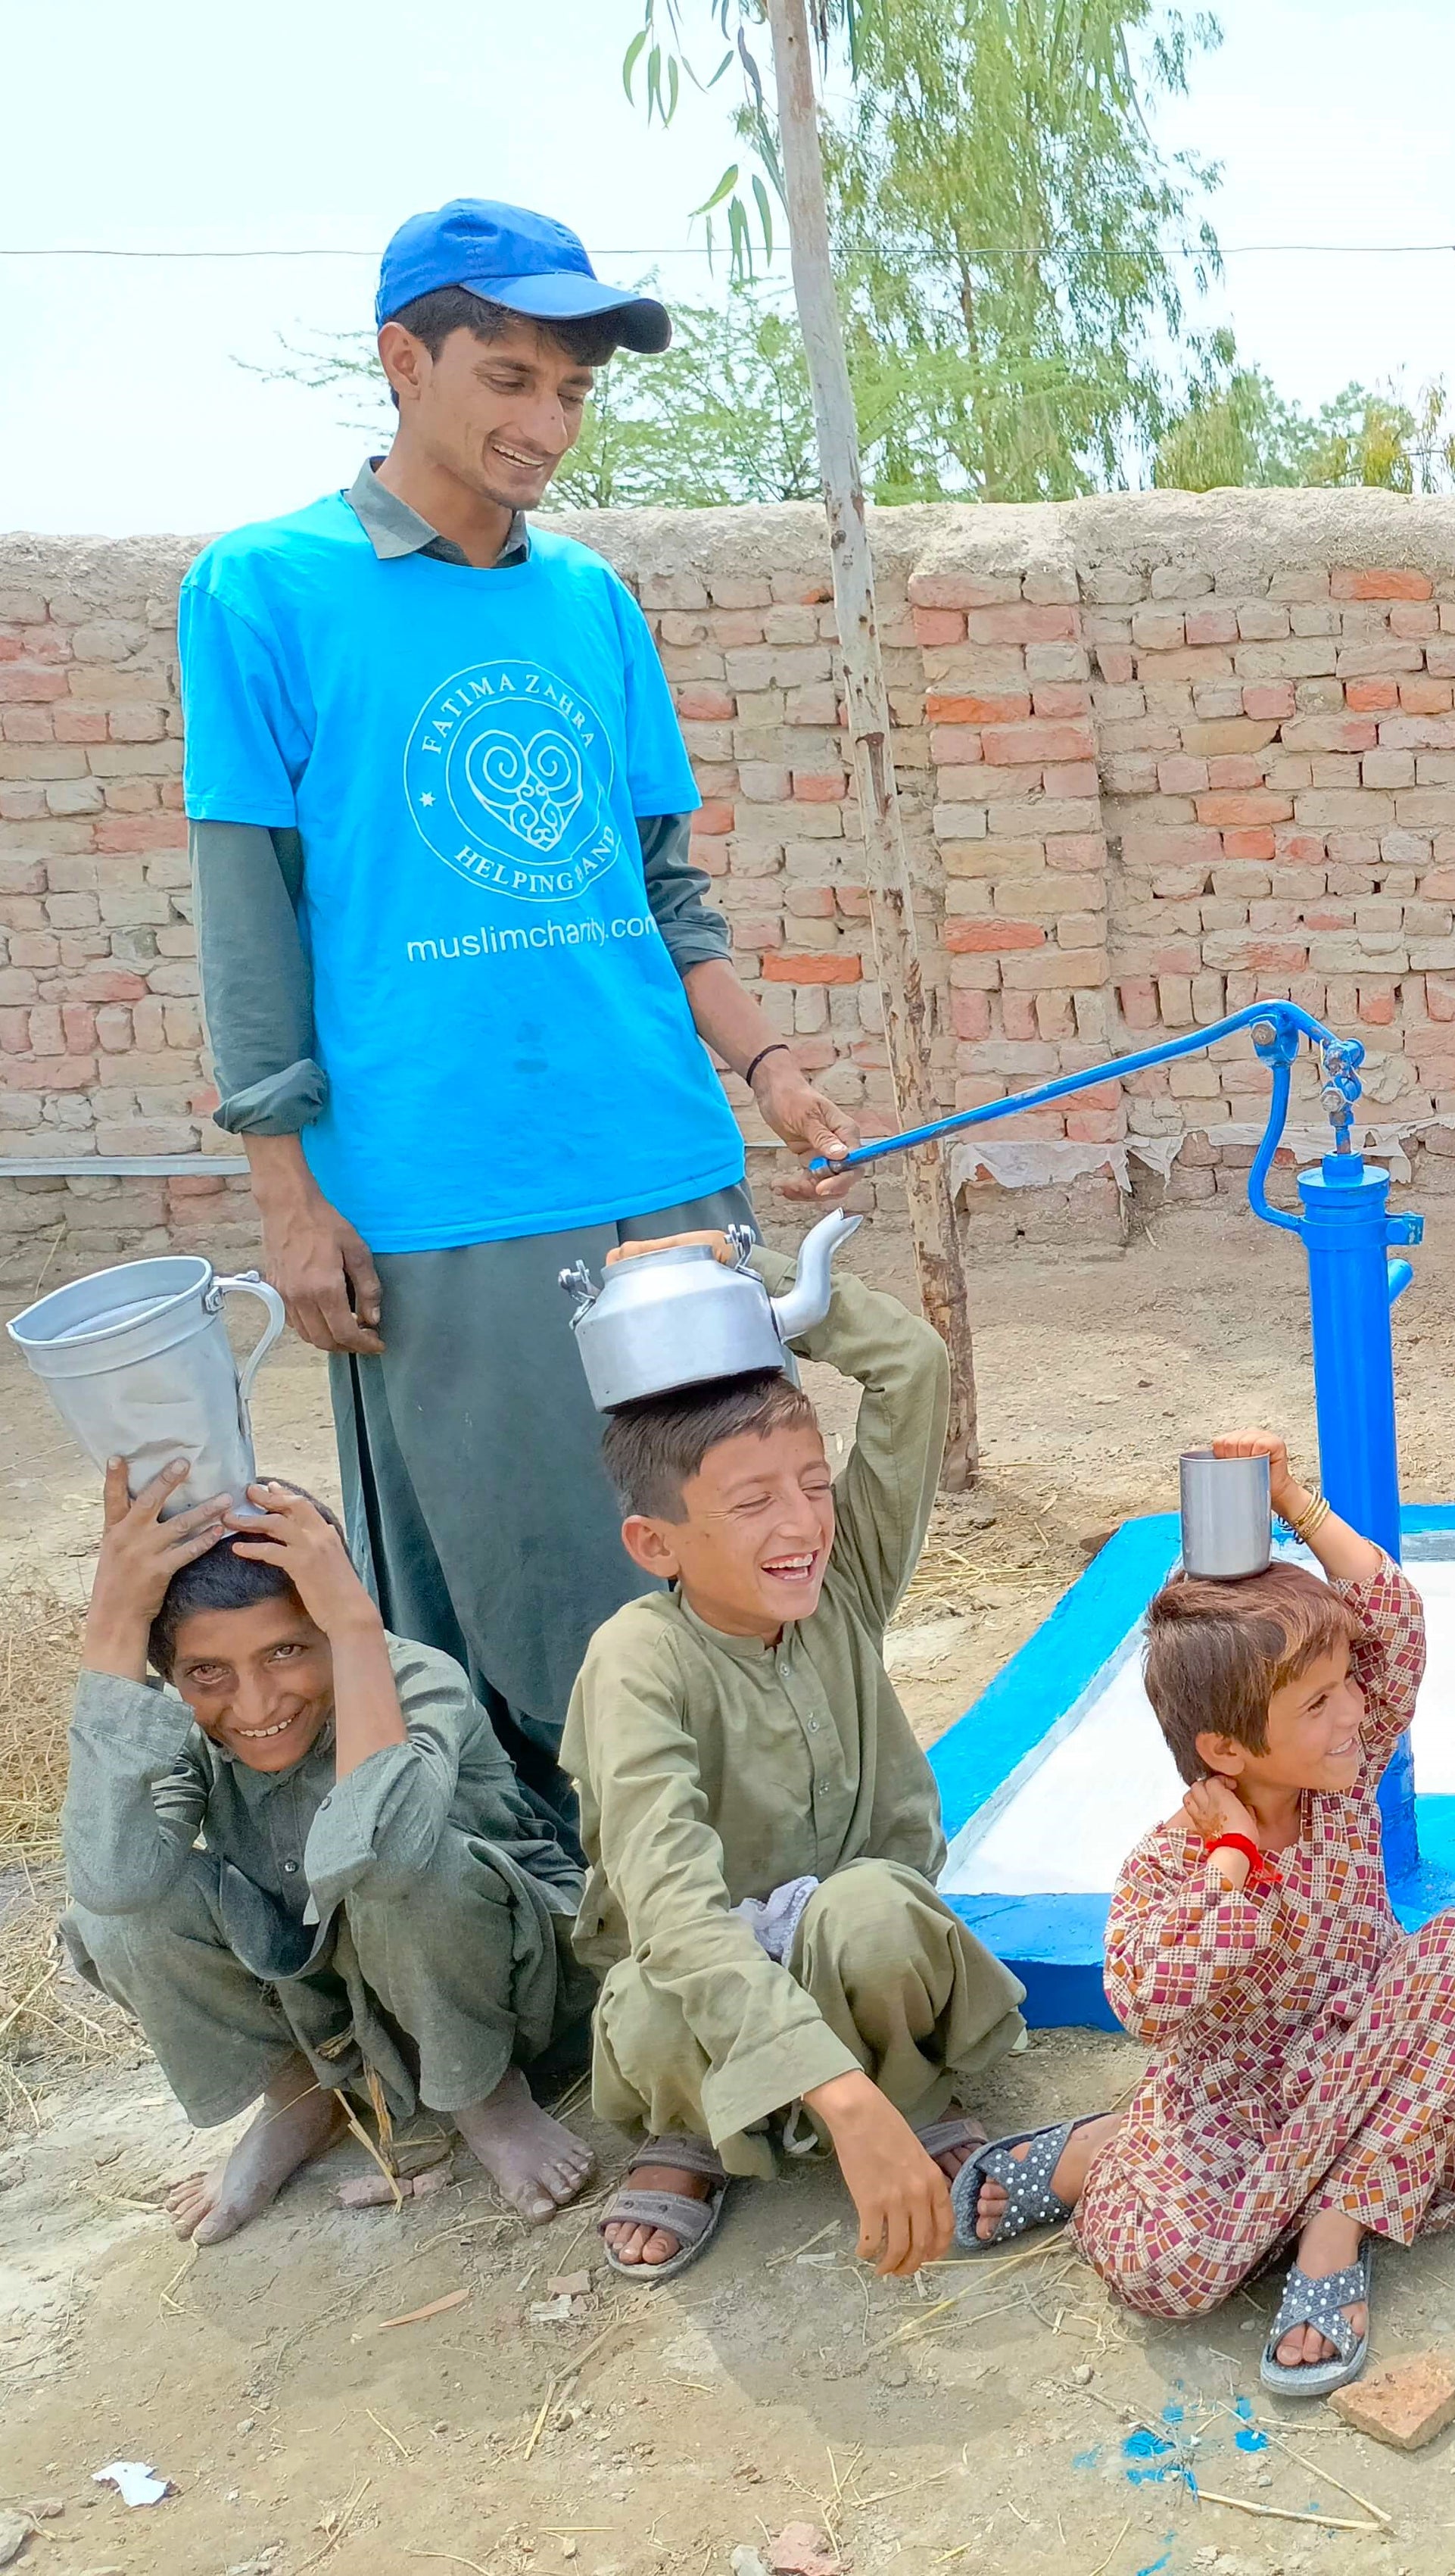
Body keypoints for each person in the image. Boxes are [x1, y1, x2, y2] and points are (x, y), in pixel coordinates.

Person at [179, 198, 857, 1841]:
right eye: (507, 378)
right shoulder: (262, 591)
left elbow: (659, 885)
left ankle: (760, 1902)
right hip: (438, 1188)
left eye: (569, 391)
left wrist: (763, 1066)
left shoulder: (591, 604)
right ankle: (559, 1942)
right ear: (402, 361)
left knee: (723, 1538)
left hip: (660, 1157)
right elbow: (249, 914)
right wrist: (288, 1190)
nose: (544, 424)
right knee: (505, 1589)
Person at [952, 1433, 1455, 2399]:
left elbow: (1391, 1615)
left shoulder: (1338, 1788)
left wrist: (1295, 1503)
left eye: (1347, 1681)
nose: (1355, 1710)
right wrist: (1234, 1871)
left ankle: (1332, 2230)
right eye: (1317, 1702)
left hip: (1375, 2055)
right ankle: (1102, 2147)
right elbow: (1144, 2002)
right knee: (1168, 2276)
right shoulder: (1167, 1867)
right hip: (1236, 2107)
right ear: (1226, 1749)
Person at [562, 1235, 1023, 2284]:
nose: (804, 1522)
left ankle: (909, 2085)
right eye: (754, 1500)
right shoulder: (637, 1659)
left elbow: (911, 1367)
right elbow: (674, 1909)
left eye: (813, 1483)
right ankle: (692, 2134)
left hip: (848, 1944)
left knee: (878, 1913)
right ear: (656, 1544)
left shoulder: (840, 1585)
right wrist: (840, 2095)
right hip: (705, 1968)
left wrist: (762, 1286)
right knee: (654, 1991)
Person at [60, 1464, 591, 2246]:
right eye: (206, 1672)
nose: (256, 1704)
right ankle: (305, 2095)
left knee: (405, 1865)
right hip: (344, 2006)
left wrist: (356, 1634)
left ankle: (486, 2098)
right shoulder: (188, 1731)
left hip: (511, 1990)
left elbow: (386, 1861)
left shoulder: (416, 1680)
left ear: (336, 1619)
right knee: (117, 1916)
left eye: (286, 1651)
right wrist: (112, 1635)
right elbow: (114, 1885)